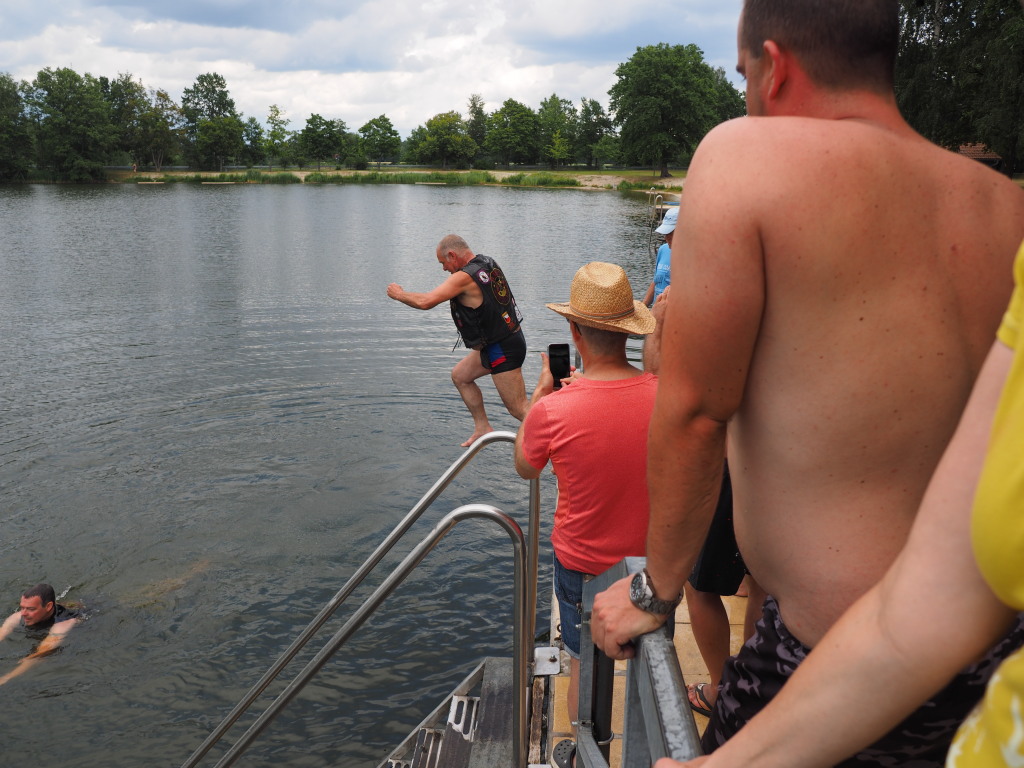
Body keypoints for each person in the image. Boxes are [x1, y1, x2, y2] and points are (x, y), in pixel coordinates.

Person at [591, 0, 1024, 764]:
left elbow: (695, 411)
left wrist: (656, 591)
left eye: (742, 75)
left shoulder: (744, 159)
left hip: (840, 659)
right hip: (990, 653)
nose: (746, 97)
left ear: (775, 67)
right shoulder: (1003, 203)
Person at [656, 235, 1024, 764]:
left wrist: (654, 590)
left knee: (716, 592)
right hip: (919, 679)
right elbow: (939, 592)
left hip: (824, 625)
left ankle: (720, 685)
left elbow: (692, 408)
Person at [513, 262, 657, 768]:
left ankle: (585, 756)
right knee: (649, 661)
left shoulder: (555, 409)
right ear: (629, 332)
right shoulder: (665, 394)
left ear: (574, 332)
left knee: (582, 664)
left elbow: (525, 467)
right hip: (651, 563)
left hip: (582, 565)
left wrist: (538, 399)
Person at [387, 234, 528, 446]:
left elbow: (426, 302)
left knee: (518, 408)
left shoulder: (464, 278)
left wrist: (399, 294)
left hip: (502, 348)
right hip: (503, 341)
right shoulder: (486, 262)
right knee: (461, 376)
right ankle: (482, 427)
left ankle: (563, 435)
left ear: (452, 255)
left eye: (443, 263)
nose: (444, 268)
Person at [0, 583, 80, 686]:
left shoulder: (63, 624)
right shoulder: (19, 615)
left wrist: (7, 677)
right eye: (22, 607)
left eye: (31, 609)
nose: (23, 613)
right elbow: (3, 631)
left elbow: (41, 653)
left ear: (48, 607)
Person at [643, 206, 677, 307]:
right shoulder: (663, 249)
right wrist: (643, 307)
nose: (666, 237)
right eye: (665, 233)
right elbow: (656, 281)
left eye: (670, 233)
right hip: (656, 312)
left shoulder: (692, 259)